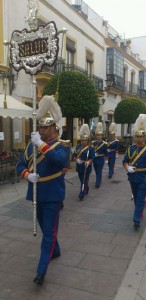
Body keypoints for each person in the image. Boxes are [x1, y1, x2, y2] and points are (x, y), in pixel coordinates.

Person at [16, 95, 68, 285]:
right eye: (41, 127)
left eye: (46, 127)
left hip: (53, 195)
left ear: (54, 127)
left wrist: (41, 145)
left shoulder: (61, 145)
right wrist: (26, 175)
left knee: (48, 233)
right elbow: (20, 164)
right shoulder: (31, 145)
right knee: (49, 230)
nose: (42, 130)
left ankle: (41, 271)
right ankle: (56, 250)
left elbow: (60, 160)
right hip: (36, 193)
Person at [122, 114, 146, 230]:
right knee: (136, 198)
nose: (139, 139)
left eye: (141, 137)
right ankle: (139, 212)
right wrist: (127, 168)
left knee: (140, 198)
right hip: (132, 178)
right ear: (134, 137)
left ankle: (136, 220)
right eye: (137, 137)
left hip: (143, 178)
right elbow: (124, 161)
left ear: (145, 137)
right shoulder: (130, 149)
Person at [72, 124, 95, 200]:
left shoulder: (90, 148)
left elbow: (93, 157)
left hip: (86, 166)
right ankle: (86, 187)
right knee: (82, 179)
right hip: (79, 166)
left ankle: (81, 193)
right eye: (82, 140)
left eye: (85, 140)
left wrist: (89, 162)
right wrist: (76, 160)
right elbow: (73, 155)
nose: (83, 142)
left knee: (84, 180)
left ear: (87, 140)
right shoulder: (78, 147)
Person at [92, 122, 107, 188]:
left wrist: (106, 158)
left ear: (102, 136)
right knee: (96, 170)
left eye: (100, 135)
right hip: (95, 159)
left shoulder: (104, 143)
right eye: (97, 135)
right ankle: (99, 179)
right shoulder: (93, 143)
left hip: (101, 158)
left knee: (99, 170)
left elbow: (106, 152)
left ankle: (97, 183)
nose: (98, 136)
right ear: (95, 136)